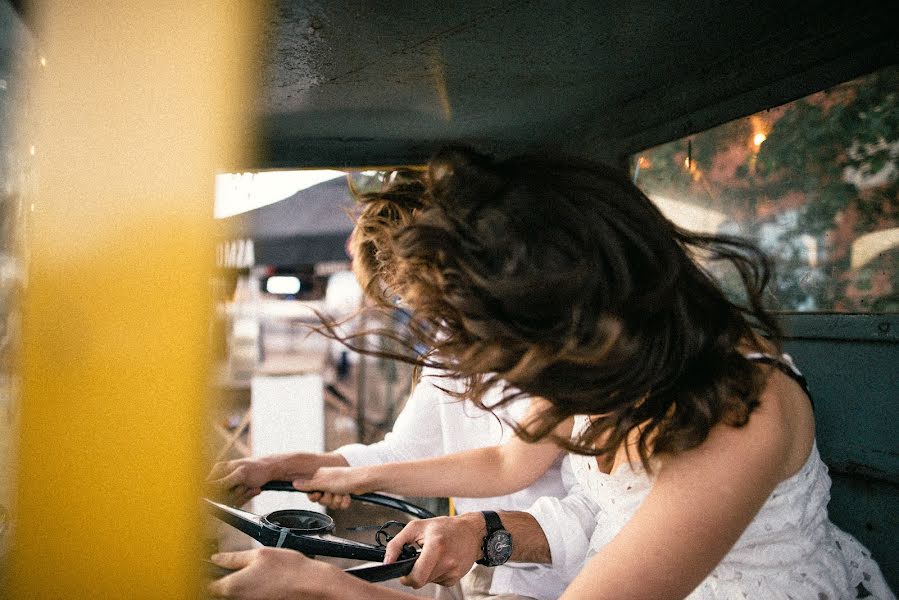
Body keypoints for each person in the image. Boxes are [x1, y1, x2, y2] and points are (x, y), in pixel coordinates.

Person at [208, 148, 895, 600]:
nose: (522, 387)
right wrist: (486, 532)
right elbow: (586, 501)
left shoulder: (739, 415)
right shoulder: (627, 363)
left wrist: (328, 587)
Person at [207, 174, 572, 600]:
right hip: (481, 563)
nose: (418, 310)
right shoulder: (449, 346)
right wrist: (286, 465)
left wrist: (356, 481)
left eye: (413, 292)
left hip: (558, 574)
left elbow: (508, 464)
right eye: (403, 298)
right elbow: (405, 451)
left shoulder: (565, 354)